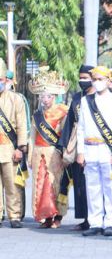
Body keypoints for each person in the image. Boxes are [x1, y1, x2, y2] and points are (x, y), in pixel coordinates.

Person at [78, 66, 112, 237]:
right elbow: (81, 128)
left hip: (108, 149)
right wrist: (80, 151)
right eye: (94, 79)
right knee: (92, 187)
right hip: (90, 148)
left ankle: (111, 223)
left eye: (100, 79)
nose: (97, 83)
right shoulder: (86, 101)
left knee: (110, 187)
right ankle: (95, 222)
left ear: (108, 81)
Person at [28, 68, 69, 228]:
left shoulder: (63, 111)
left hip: (54, 153)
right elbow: (31, 137)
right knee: (39, 184)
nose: (45, 100)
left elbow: (65, 135)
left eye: (48, 96)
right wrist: (30, 155)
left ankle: (57, 215)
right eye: (42, 96)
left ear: (55, 96)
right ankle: (45, 216)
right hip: (38, 152)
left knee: (55, 183)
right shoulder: (37, 115)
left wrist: (64, 153)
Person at [60, 65, 94, 231]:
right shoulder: (76, 97)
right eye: (80, 78)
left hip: (95, 145)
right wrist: (64, 146)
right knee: (80, 184)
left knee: (93, 185)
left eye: (86, 78)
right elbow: (69, 123)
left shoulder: (98, 97)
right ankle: (85, 219)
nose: (82, 81)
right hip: (77, 145)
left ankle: (97, 220)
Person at [0, 58, 28, 228]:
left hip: (10, 148)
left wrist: (20, 148)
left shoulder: (15, 99)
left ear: (5, 80)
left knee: (12, 184)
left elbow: (22, 124)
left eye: (0, 80)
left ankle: (14, 216)